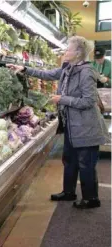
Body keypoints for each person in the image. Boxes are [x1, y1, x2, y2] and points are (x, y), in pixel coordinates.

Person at [7, 36, 109, 209]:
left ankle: (91, 199)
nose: (65, 52)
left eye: (68, 49)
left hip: (86, 127)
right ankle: (69, 192)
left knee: (86, 164)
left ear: (77, 53)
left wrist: (63, 99)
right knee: (69, 160)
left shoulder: (86, 72)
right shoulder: (68, 68)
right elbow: (47, 74)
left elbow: (88, 101)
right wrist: (24, 68)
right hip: (71, 125)